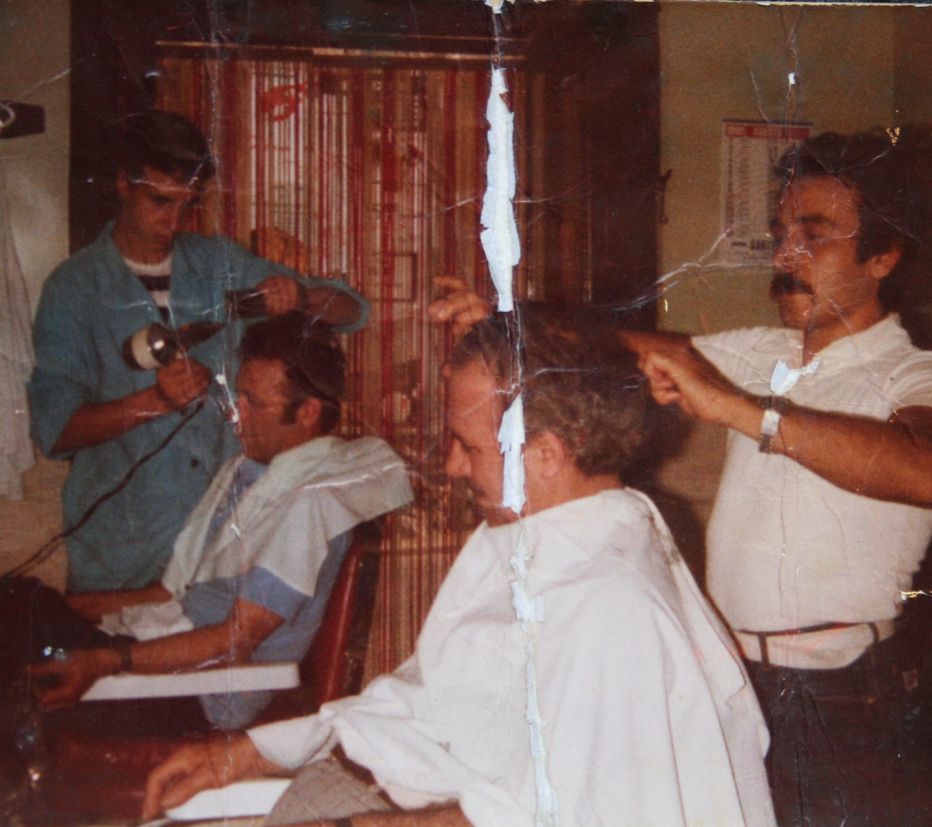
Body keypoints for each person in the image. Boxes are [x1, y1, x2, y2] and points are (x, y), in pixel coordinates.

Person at [430, 131, 932, 825]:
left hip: (845, 692)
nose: (785, 257)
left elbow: (925, 471)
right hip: (737, 672)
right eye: (781, 235)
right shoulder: (765, 352)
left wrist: (741, 409)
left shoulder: (916, 373)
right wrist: (514, 325)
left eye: (814, 236)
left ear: (884, 257)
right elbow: (626, 349)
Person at [142, 306, 775, 827]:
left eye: (468, 446)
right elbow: (433, 694)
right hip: (376, 785)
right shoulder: (528, 531)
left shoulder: (611, 603)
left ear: (545, 454)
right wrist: (248, 753)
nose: (451, 466)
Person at [29, 110, 370, 593]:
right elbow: (54, 430)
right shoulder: (73, 289)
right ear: (124, 183)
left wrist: (300, 295)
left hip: (219, 534)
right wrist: (154, 402)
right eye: (160, 202)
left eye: (186, 206)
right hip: (124, 548)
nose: (173, 223)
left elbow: (353, 310)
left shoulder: (217, 263)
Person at [17, 314, 411, 731]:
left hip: (202, 696)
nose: (236, 415)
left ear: (308, 411)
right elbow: (168, 592)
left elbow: (235, 640)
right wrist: (71, 609)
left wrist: (106, 660)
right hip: (160, 647)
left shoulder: (309, 505)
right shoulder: (248, 472)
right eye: (238, 397)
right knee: (19, 603)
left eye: (254, 403)